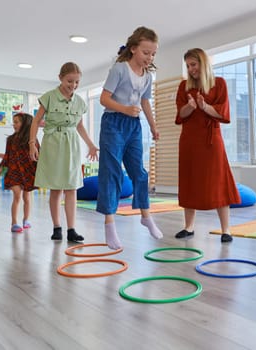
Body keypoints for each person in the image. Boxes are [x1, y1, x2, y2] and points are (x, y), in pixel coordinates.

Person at [97, 26, 163, 250]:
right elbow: (104, 99)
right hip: (113, 123)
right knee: (112, 172)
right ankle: (109, 225)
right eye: (146, 52)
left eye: (153, 53)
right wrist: (125, 109)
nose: (150, 57)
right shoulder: (119, 69)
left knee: (140, 172)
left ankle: (146, 216)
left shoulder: (148, 76)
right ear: (134, 49)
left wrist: (153, 126)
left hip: (134, 126)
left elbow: (145, 102)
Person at [174, 48, 241, 243]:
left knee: (219, 182)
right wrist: (190, 107)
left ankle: (226, 229)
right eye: (188, 66)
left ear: (203, 63)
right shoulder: (183, 86)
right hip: (189, 141)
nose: (191, 69)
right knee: (190, 180)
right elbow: (180, 115)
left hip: (212, 141)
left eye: (193, 64)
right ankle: (189, 227)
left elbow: (224, 114)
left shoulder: (219, 84)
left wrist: (205, 107)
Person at [29, 62, 99, 242]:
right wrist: (32, 144)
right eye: (70, 81)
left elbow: (80, 126)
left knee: (71, 188)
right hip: (53, 143)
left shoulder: (80, 101)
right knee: (56, 188)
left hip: (72, 144)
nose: (73, 86)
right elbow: (36, 122)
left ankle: (72, 229)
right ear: (60, 78)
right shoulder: (49, 97)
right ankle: (57, 227)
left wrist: (91, 144)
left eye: (77, 82)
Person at [0, 113, 39, 233]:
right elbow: (7, 156)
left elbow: (38, 155)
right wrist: (1, 167)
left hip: (28, 170)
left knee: (27, 197)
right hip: (14, 170)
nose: (14, 125)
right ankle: (14, 222)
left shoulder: (32, 139)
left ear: (25, 124)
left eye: (16, 122)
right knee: (17, 195)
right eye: (13, 122)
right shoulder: (10, 140)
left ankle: (26, 219)